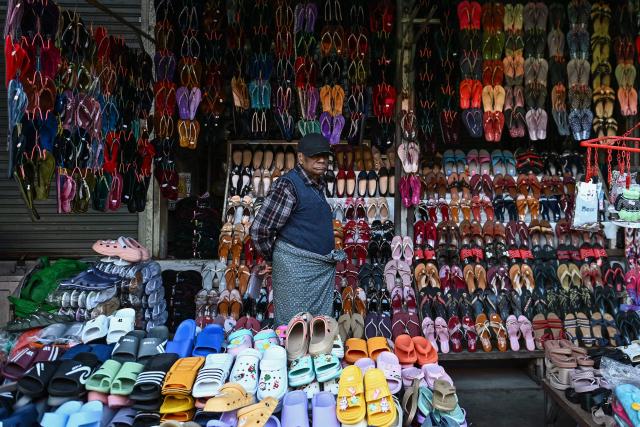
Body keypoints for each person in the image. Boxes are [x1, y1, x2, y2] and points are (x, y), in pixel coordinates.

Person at [251, 133, 344, 326]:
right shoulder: (288, 185)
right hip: (295, 271)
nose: (321, 160)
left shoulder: (317, 184)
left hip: (318, 271)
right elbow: (260, 229)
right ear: (300, 157)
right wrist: (276, 258)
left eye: (325, 156)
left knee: (317, 331)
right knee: (294, 328)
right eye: (314, 155)